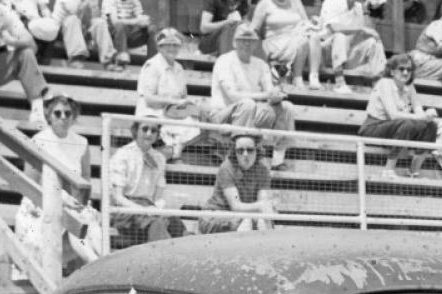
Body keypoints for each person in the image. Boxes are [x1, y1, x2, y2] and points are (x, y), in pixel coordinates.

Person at [13, 92, 101, 276]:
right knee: (73, 223)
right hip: (42, 201)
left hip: (73, 203)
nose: (63, 117)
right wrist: (59, 200)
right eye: (58, 113)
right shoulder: (39, 140)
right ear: (49, 115)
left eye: (68, 113)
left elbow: (85, 179)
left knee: (88, 223)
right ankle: (96, 263)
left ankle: (101, 261)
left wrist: (77, 201)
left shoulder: (81, 143)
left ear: (73, 116)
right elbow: (30, 182)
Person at [207, 22, 296, 168]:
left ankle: (277, 159)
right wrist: (265, 95)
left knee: (287, 107)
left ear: (256, 44)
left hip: (251, 113)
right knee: (248, 103)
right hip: (223, 114)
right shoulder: (224, 61)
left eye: (250, 41)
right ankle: (235, 158)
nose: (246, 44)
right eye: (242, 40)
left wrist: (275, 96)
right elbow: (233, 96)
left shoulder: (261, 64)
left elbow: (269, 91)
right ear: (234, 42)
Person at [360, 53, 438, 179]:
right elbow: (393, 115)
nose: (406, 72)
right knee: (406, 123)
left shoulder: (409, 87)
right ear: (392, 71)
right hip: (373, 127)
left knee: (431, 126)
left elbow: (418, 110)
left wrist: (428, 115)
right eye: (401, 69)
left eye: (409, 69)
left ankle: (414, 171)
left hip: (396, 130)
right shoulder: (385, 83)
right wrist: (420, 117)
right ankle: (388, 170)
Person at [106, 121, 186, 243]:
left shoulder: (159, 158)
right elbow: (117, 197)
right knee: (156, 224)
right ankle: (163, 254)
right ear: (136, 131)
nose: (149, 133)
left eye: (153, 130)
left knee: (175, 222)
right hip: (125, 209)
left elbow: (157, 197)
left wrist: (157, 208)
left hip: (148, 207)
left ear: (157, 134)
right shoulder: (123, 154)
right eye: (145, 129)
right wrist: (142, 209)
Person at [136, 28, 203, 161]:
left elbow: (183, 96)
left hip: (173, 113)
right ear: (160, 47)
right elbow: (149, 99)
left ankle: (172, 151)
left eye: (175, 45)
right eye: (167, 45)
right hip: (152, 113)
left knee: (200, 119)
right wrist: (174, 102)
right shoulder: (153, 65)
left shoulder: (179, 68)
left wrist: (186, 104)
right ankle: (169, 154)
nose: (172, 48)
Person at [199, 133, 276, 232]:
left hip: (244, 215)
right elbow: (236, 206)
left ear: (257, 150)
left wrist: (265, 209)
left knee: (262, 221)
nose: (245, 154)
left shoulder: (263, 169)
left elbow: (263, 202)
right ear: (234, 152)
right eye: (240, 150)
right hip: (215, 215)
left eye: (250, 150)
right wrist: (261, 206)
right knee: (245, 222)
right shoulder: (227, 168)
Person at [250, 0, 322, 89]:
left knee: (314, 36)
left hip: (295, 36)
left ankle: (313, 77)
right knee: (302, 40)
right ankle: (297, 78)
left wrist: (313, 23)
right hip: (274, 42)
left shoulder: (296, 2)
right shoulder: (264, 4)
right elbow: (253, 29)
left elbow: (305, 22)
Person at [318, 0, 386, 92]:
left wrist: (367, 11)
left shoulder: (358, 7)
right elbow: (334, 28)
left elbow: (363, 33)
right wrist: (361, 29)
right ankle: (340, 83)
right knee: (340, 36)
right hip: (326, 54)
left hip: (347, 54)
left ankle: (380, 85)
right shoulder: (331, 2)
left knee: (373, 42)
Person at [47, 0, 113, 68]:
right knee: (72, 19)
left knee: (100, 23)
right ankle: (76, 59)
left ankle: (108, 60)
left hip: (82, 30)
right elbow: (76, 10)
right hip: (62, 31)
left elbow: (94, 16)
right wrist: (87, 3)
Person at [105, 0, 155, 68]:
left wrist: (144, 22)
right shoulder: (110, 1)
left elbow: (140, 18)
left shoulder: (135, 1)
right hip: (114, 37)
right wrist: (135, 21)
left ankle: (152, 62)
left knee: (151, 29)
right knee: (119, 25)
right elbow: (115, 22)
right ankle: (122, 57)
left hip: (130, 35)